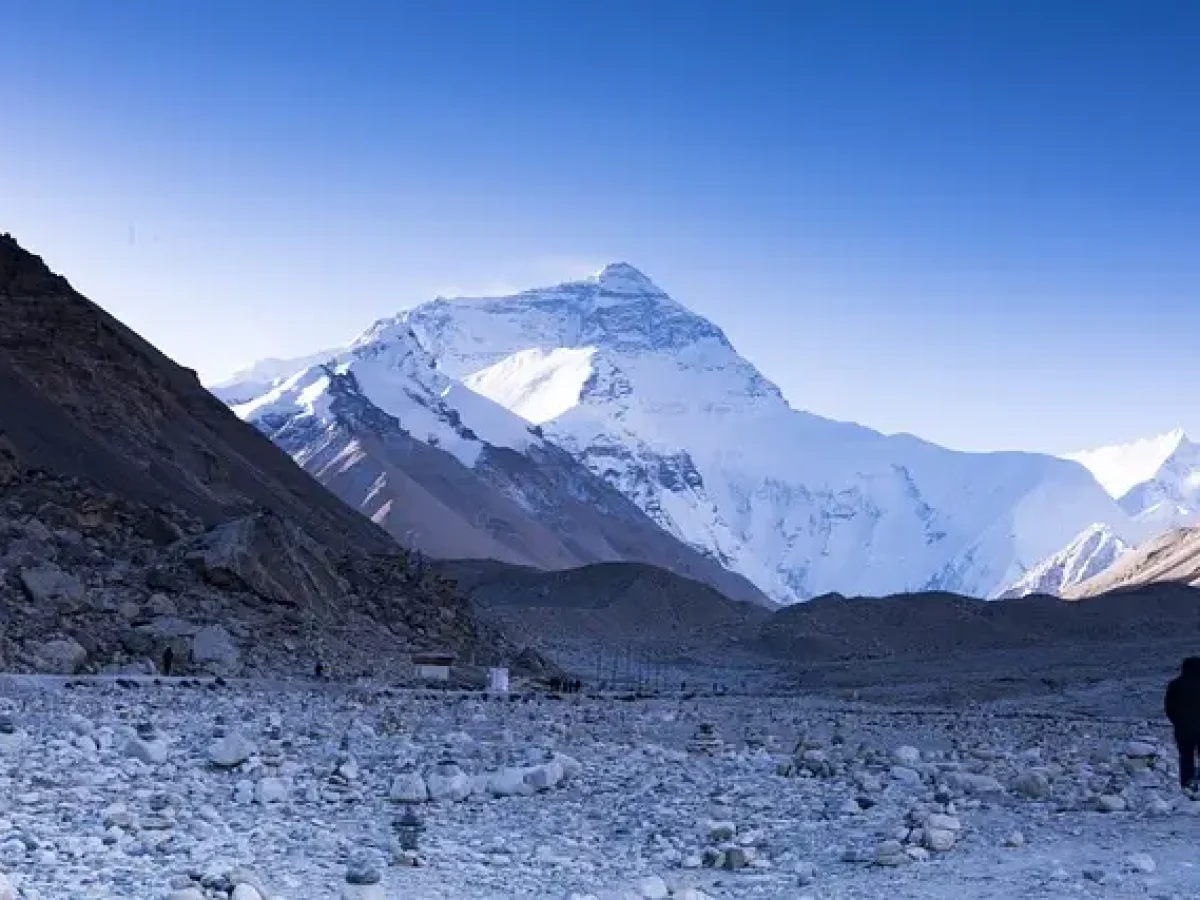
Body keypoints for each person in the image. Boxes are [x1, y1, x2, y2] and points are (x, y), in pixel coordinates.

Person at [1165, 657, 1200, 789]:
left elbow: (1169, 708)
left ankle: (1187, 785)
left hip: (1183, 730)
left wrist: (1177, 722)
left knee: (1186, 758)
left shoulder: (1175, 685)